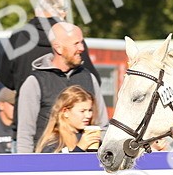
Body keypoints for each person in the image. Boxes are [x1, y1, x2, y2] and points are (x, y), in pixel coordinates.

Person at [15, 22, 108, 154]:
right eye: (76, 43)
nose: (82, 48)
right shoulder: (35, 82)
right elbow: (25, 134)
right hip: (47, 162)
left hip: (88, 164)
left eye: (82, 42)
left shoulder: (88, 78)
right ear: (58, 48)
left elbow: (103, 125)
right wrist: (25, 167)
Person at [0, 0, 100, 93]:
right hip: (65, 105)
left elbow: (6, 79)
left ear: (37, 10)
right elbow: (92, 81)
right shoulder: (72, 38)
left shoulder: (17, 36)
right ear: (64, 13)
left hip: (25, 104)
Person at [35, 86, 103, 153]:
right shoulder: (54, 143)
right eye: (82, 111)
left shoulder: (90, 137)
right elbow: (58, 164)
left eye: (90, 110)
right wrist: (80, 149)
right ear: (65, 112)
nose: (88, 115)